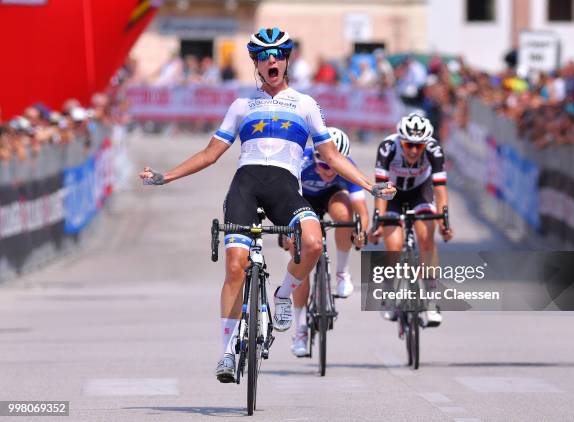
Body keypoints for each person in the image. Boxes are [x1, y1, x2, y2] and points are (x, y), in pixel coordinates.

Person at [139, 27, 396, 383]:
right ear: (255, 64)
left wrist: (370, 185)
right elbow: (211, 154)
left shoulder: (305, 104)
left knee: (313, 242)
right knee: (234, 266)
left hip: (284, 188)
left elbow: (331, 155)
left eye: (277, 54)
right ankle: (227, 353)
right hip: (245, 186)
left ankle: (284, 293)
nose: (271, 60)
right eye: (263, 56)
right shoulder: (242, 106)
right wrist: (166, 176)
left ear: (287, 60)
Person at [284, 127, 369, 357]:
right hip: (302, 201)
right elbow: (283, 201)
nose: (329, 171)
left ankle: (342, 273)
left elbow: (360, 206)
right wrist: (286, 233)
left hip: (333, 197)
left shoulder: (346, 164)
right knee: (299, 260)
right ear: (316, 157)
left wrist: (361, 229)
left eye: (334, 167)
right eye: (324, 166)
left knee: (344, 215)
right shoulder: (300, 162)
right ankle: (300, 329)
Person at [369, 113, 453, 326]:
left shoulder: (434, 149)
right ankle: (388, 292)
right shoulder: (388, 147)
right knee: (394, 246)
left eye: (419, 146)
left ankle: (432, 298)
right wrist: (377, 221)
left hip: (420, 192)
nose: (414, 150)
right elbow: (380, 186)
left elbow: (440, 188)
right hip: (392, 192)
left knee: (426, 239)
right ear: (401, 141)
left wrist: (445, 220)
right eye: (409, 145)